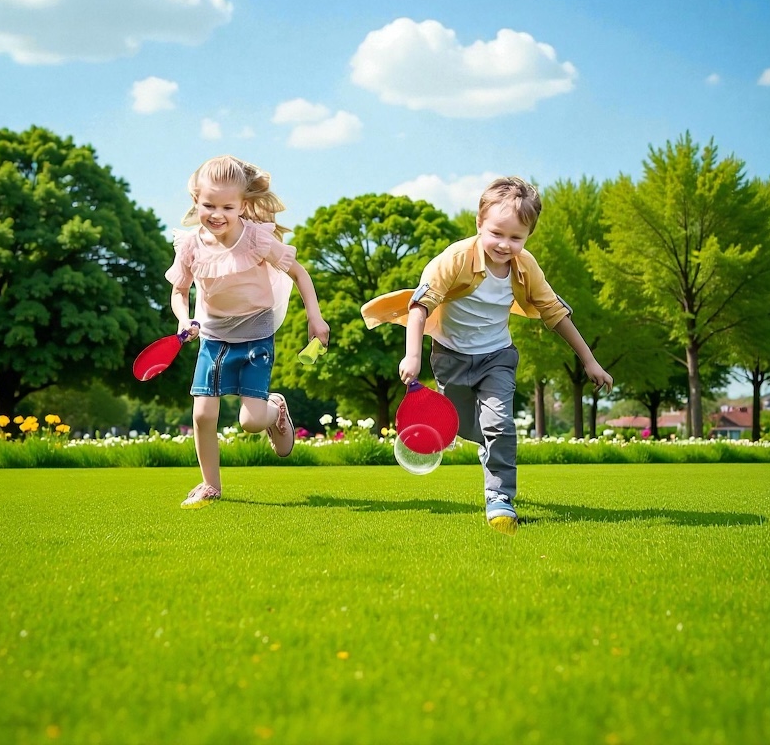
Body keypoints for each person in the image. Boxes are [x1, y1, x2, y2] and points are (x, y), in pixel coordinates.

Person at [361, 177, 612, 534]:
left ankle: (500, 498)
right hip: (450, 358)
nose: (505, 245)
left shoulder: (526, 268)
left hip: (497, 357)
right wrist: (412, 356)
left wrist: (590, 361)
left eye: (516, 237)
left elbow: (556, 314)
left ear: (528, 236)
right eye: (497, 233)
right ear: (479, 224)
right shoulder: (455, 260)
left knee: (499, 425)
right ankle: (492, 442)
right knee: (465, 427)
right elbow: (419, 307)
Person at [165, 155, 330, 509]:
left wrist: (315, 319)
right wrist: (183, 319)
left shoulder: (256, 239)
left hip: (256, 332)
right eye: (209, 205)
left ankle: (274, 408)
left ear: (243, 205)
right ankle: (210, 485)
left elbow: (299, 273)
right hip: (212, 334)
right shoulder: (190, 245)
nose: (217, 214)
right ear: (196, 200)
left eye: (228, 206)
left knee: (251, 422)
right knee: (202, 414)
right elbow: (180, 291)